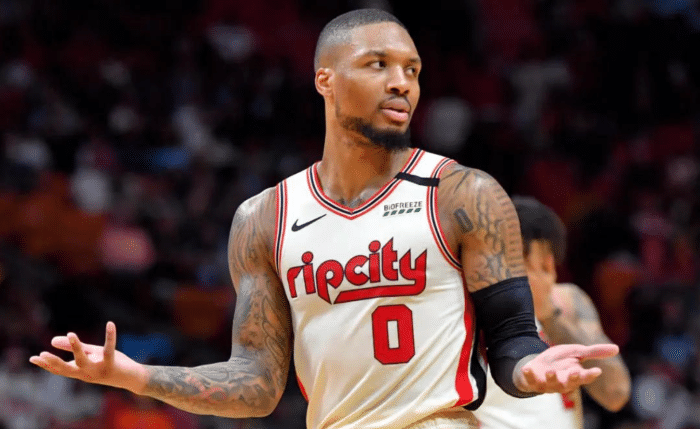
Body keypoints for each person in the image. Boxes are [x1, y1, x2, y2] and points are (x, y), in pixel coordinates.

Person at [29, 9, 619, 429]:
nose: (401, 83)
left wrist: (531, 369)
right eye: (378, 64)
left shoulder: (463, 193)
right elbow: (257, 384)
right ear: (325, 80)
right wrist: (137, 377)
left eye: (412, 70)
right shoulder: (264, 218)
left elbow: (513, 340)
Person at [474, 196, 632, 429]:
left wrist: (548, 314)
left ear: (548, 265)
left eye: (516, 259)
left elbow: (616, 393)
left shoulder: (567, 301)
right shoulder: (469, 308)